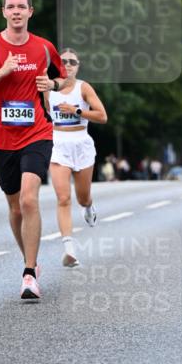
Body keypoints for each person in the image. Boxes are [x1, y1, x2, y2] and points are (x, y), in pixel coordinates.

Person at [0, 0, 65, 300]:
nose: (17, 12)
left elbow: (64, 79)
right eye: (11, 7)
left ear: (30, 12)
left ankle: (29, 273)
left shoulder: (45, 48)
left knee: (28, 200)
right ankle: (30, 261)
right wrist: (0, 74)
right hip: (2, 138)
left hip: (37, 133)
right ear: (4, 12)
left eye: (22, 6)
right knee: (14, 206)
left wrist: (52, 83)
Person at [47, 49, 107, 268]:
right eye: (63, 62)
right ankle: (69, 250)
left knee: (82, 197)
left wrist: (77, 111)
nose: (68, 65)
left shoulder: (84, 88)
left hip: (81, 143)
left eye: (73, 62)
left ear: (78, 66)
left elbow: (102, 116)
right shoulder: (48, 89)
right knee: (63, 198)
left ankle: (89, 207)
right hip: (57, 144)